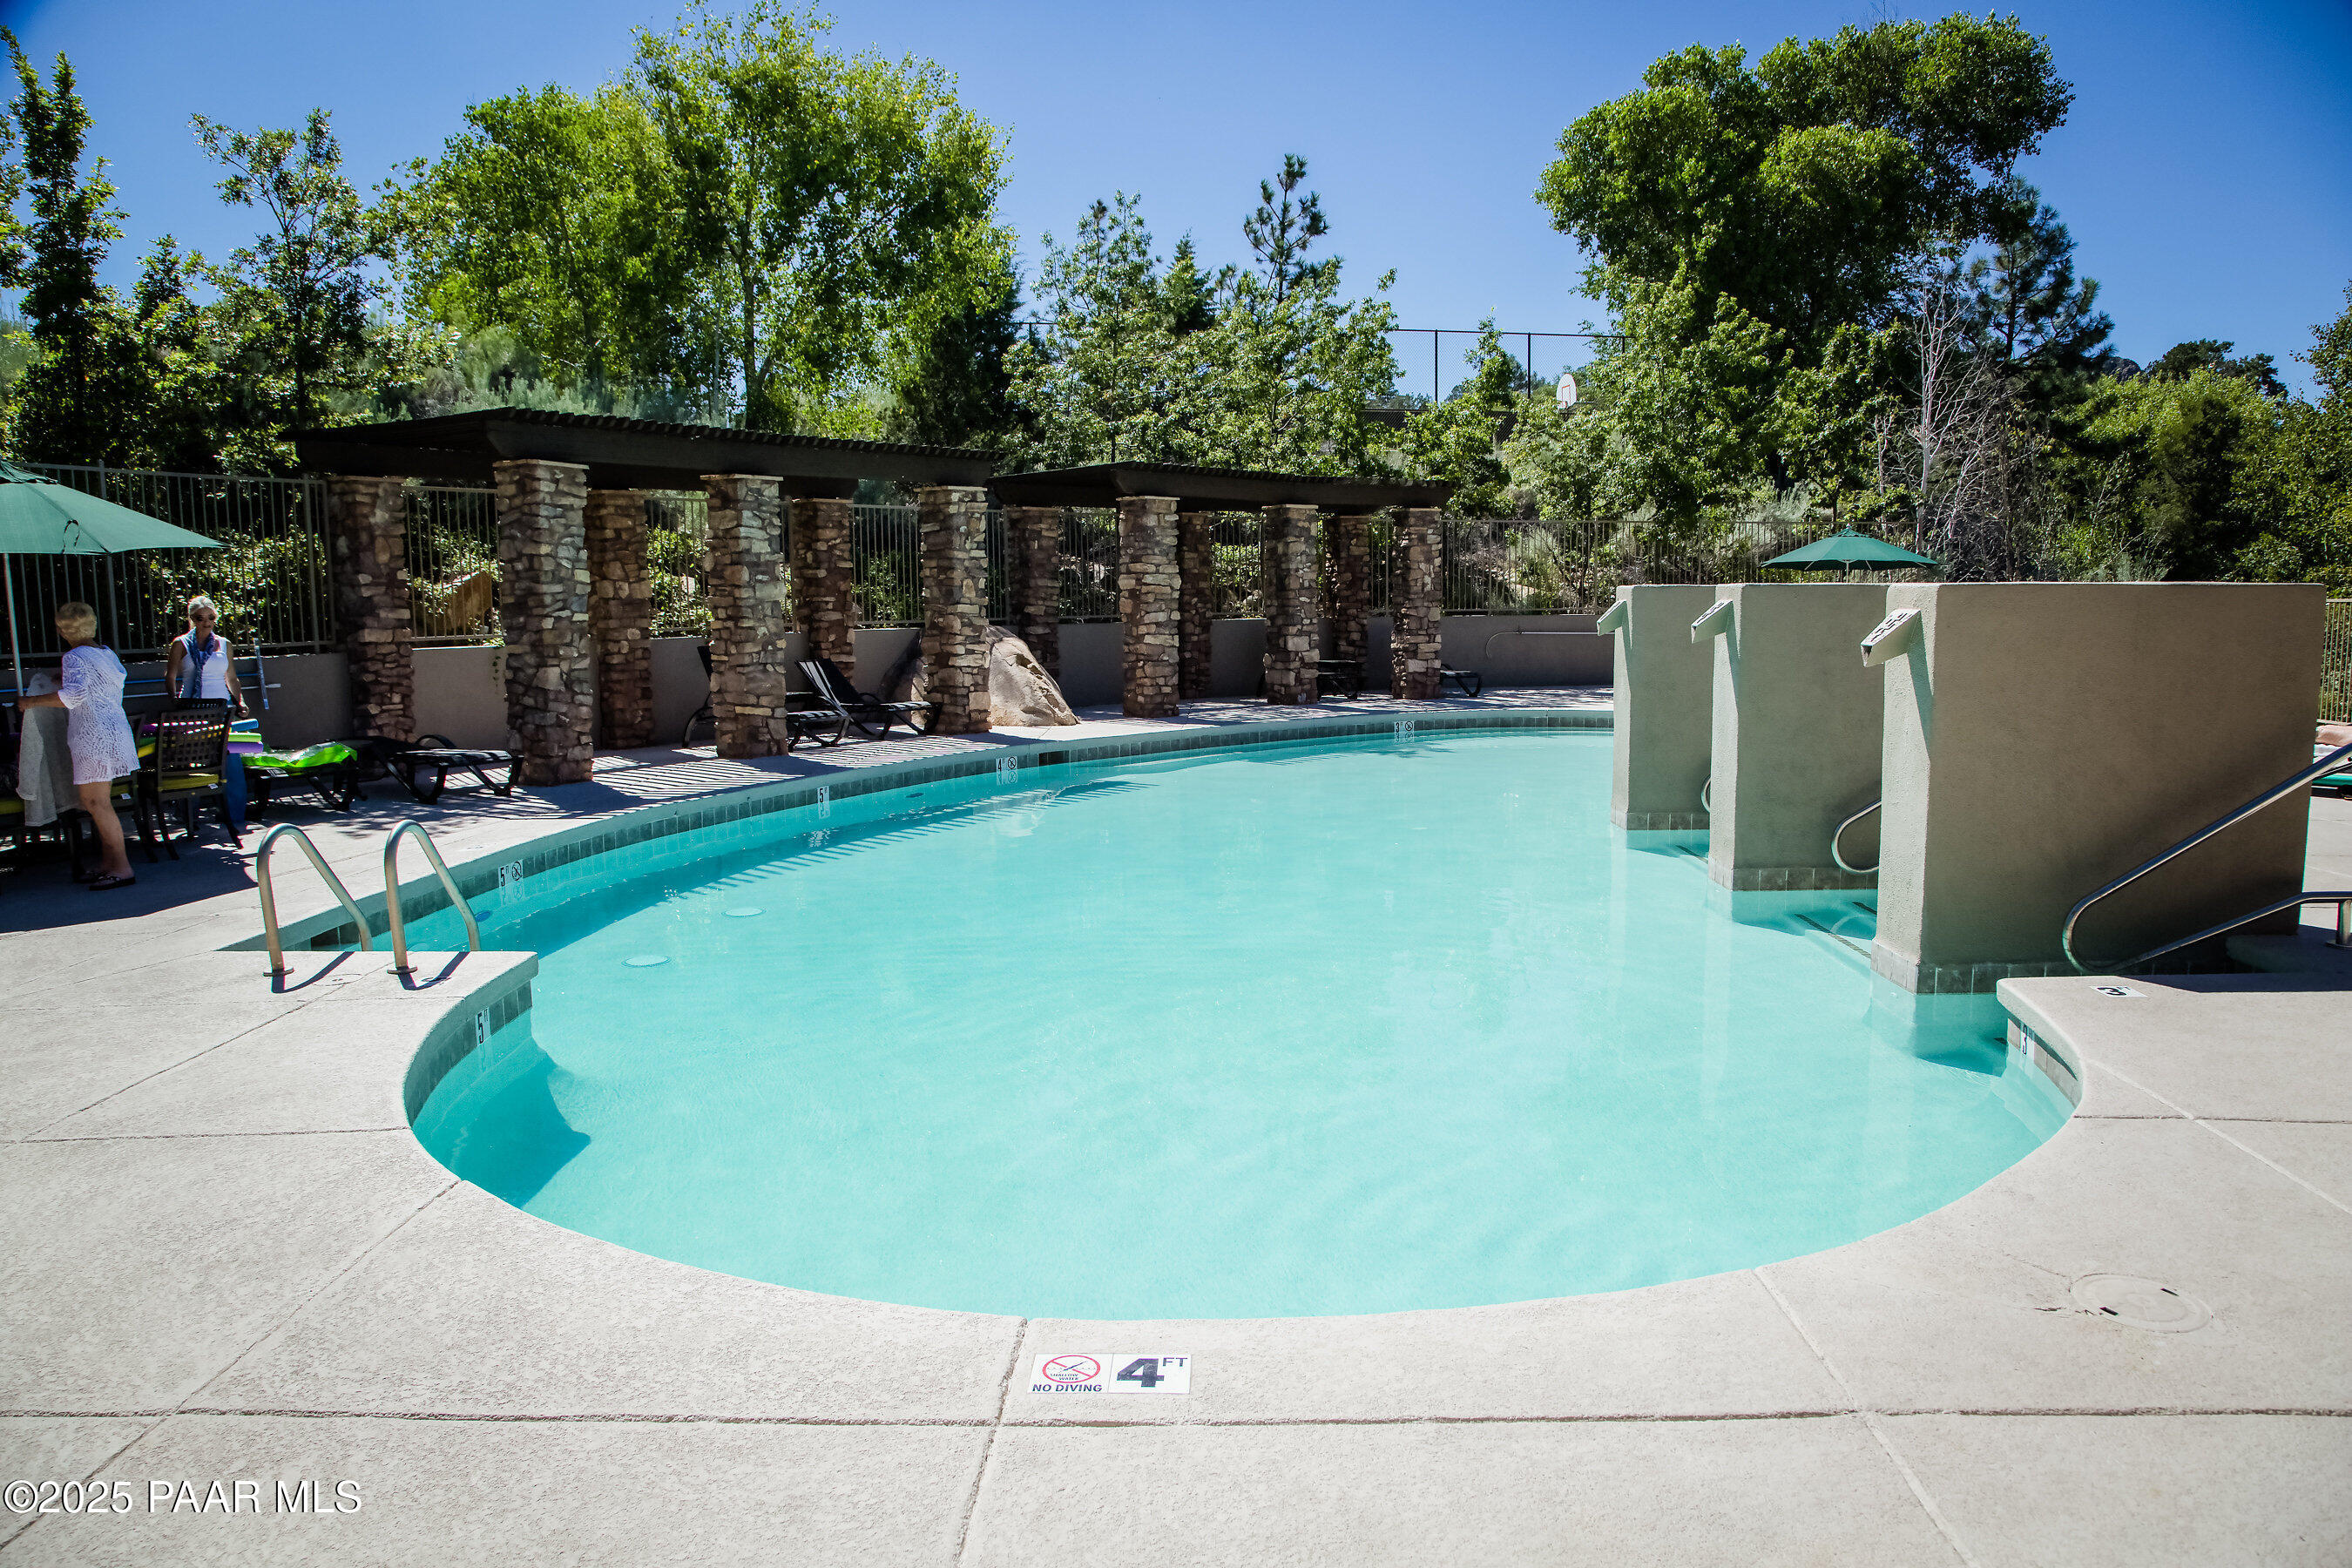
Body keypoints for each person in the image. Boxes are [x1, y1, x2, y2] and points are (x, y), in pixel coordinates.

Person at [16, 601, 138, 889]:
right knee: (97, 802)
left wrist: (30, 702)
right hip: (114, 729)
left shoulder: (74, 656)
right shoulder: (105, 653)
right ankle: (110, 862)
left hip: (92, 734)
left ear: (62, 629)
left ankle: (121, 867)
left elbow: (73, 696)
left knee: (96, 802)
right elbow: (102, 683)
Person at [164, 595, 247, 714]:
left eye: (211, 617)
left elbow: (232, 678)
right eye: (200, 618)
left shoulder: (224, 644)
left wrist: (240, 703)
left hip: (222, 707)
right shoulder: (181, 643)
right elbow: (170, 676)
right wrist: (174, 699)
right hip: (190, 707)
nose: (207, 622)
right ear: (192, 618)